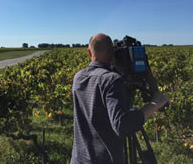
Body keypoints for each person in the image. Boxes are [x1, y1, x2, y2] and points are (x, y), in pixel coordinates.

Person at [70, 33, 169, 164]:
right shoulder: (111, 80)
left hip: (79, 158)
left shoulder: (78, 77)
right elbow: (123, 126)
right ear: (112, 52)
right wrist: (154, 104)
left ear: (89, 52)